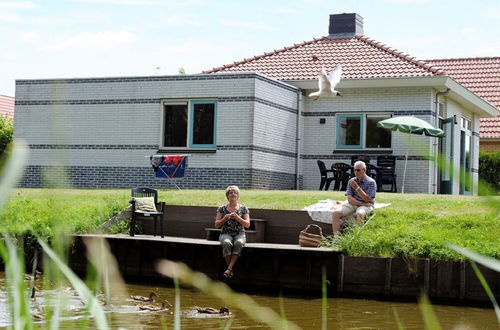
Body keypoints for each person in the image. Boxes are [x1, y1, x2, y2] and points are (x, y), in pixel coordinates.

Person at [331, 161, 376, 236]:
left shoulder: (371, 182)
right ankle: (336, 239)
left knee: (360, 214)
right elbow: (349, 199)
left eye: (358, 170)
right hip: (356, 203)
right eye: (354, 170)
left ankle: (357, 238)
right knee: (335, 213)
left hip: (366, 205)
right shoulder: (351, 181)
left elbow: (367, 199)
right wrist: (362, 203)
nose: (356, 172)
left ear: (364, 170)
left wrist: (357, 188)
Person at [214, 185, 250, 279]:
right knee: (226, 243)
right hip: (225, 233)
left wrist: (238, 218)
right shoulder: (221, 209)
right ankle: (230, 269)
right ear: (227, 196)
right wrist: (225, 218)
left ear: (238, 195)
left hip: (240, 234)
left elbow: (247, 225)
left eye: (235, 192)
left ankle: (229, 269)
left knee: (239, 243)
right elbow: (217, 225)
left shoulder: (244, 208)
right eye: (230, 193)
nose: (233, 194)